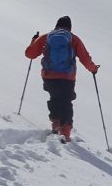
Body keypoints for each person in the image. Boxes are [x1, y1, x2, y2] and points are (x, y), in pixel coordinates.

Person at [24, 15, 99, 143]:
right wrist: (93, 69)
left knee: (54, 98)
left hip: (49, 76)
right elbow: (85, 58)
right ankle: (65, 132)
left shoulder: (46, 37)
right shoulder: (73, 39)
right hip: (67, 77)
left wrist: (33, 41)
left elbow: (30, 54)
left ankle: (56, 124)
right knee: (66, 102)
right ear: (69, 27)